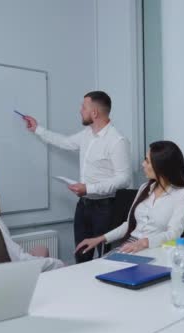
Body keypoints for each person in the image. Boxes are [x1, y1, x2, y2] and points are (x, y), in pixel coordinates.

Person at [23, 91, 132, 262]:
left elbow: (124, 179)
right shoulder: (87, 134)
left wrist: (89, 188)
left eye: (84, 107)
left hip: (106, 208)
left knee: (104, 259)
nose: (80, 110)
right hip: (83, 205)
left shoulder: (117, 140)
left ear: (94, 113)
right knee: (81, 255)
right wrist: (38, 129)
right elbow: (65, 142)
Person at [75, 141, 184, 254]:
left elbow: (174, 233)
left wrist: (144, 243)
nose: (143, 164)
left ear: (161, 166)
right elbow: (129, 224)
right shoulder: (144, 188)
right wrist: (100, 238)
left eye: (147, 161)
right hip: (130, 245)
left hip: (155, 250)